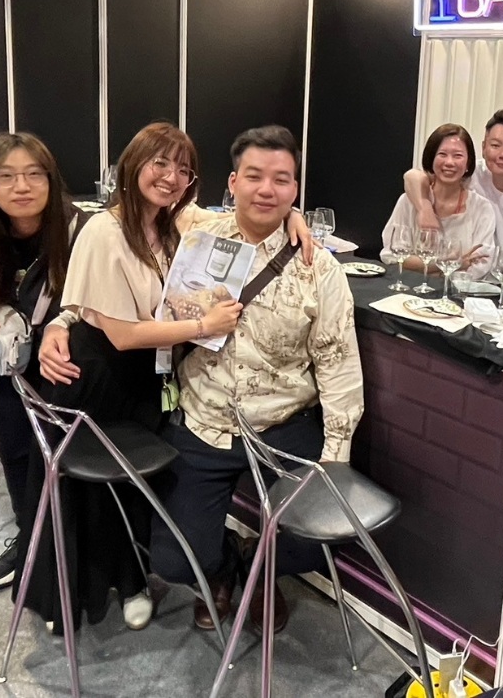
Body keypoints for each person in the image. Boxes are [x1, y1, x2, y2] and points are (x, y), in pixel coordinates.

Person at [12, 121, 242, 633]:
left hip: (146, 378)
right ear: (133, 164)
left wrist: (293, 219)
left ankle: (132, 577)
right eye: (160, 163)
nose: (171, 177)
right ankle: (73, 590)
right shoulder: (104, 230)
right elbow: (119, 333)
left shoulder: (175, 224)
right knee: (90, 489)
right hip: (98, 374)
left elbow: (243, 212)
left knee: (137, 488)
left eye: (183, 169)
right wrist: (205, 326)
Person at [150, 125, 363, 635]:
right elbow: (133, 220)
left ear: (296, 189)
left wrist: (336, 457)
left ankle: (259, 570)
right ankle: (222, 563)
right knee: (173, 560)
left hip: (283, 423)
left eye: (281, 180)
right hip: (203, 419)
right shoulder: (195, 237)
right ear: (232, 182)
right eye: (254, 176)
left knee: (319, 537)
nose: (266, 189)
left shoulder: (319, 267)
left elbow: (338, 363)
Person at [0, 132, 88, 593]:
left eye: (33, 174)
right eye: (6, 176)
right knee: (15, 450)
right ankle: (29, 537)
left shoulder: (81, 229)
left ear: (51, 179)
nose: (21, 186)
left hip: (70, 361)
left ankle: (75, 543)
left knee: (69, 455)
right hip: (12, 361)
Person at [403, 109, 503, 242]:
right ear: (483, 148)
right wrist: (424, 208)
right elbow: (413, 177)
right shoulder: (470, 174)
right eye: (495, 145)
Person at [381, 123, 495, 277]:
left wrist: (437, 276)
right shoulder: (408, 201)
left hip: (458, 289)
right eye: (442, 154)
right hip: (409, 286)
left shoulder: (481, 208)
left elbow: (480, 264)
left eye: (457, 156)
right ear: (431, 159)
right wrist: (445, 264)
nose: (449, 162)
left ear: (468, 164)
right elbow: (391, 255)